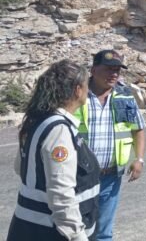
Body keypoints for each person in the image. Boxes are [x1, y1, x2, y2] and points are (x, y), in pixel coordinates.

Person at [7, 60, 100, 241]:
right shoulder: (59, 131)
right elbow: (61, 194)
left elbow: (21, 168)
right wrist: (77, 236)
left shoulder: (37, 119)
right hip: (49, 232)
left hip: (27, 228)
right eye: (86, 85)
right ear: (77, 90)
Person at [74, 49, 146, 241]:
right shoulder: (75, 96)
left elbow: (138, 129)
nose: (113, 74)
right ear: (93, 69)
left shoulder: (124, 96)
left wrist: (139, 159)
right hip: (79, 177)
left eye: (117, 70)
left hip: (111, 176)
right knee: (75, 229)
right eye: (108, 69)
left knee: (104, 232)